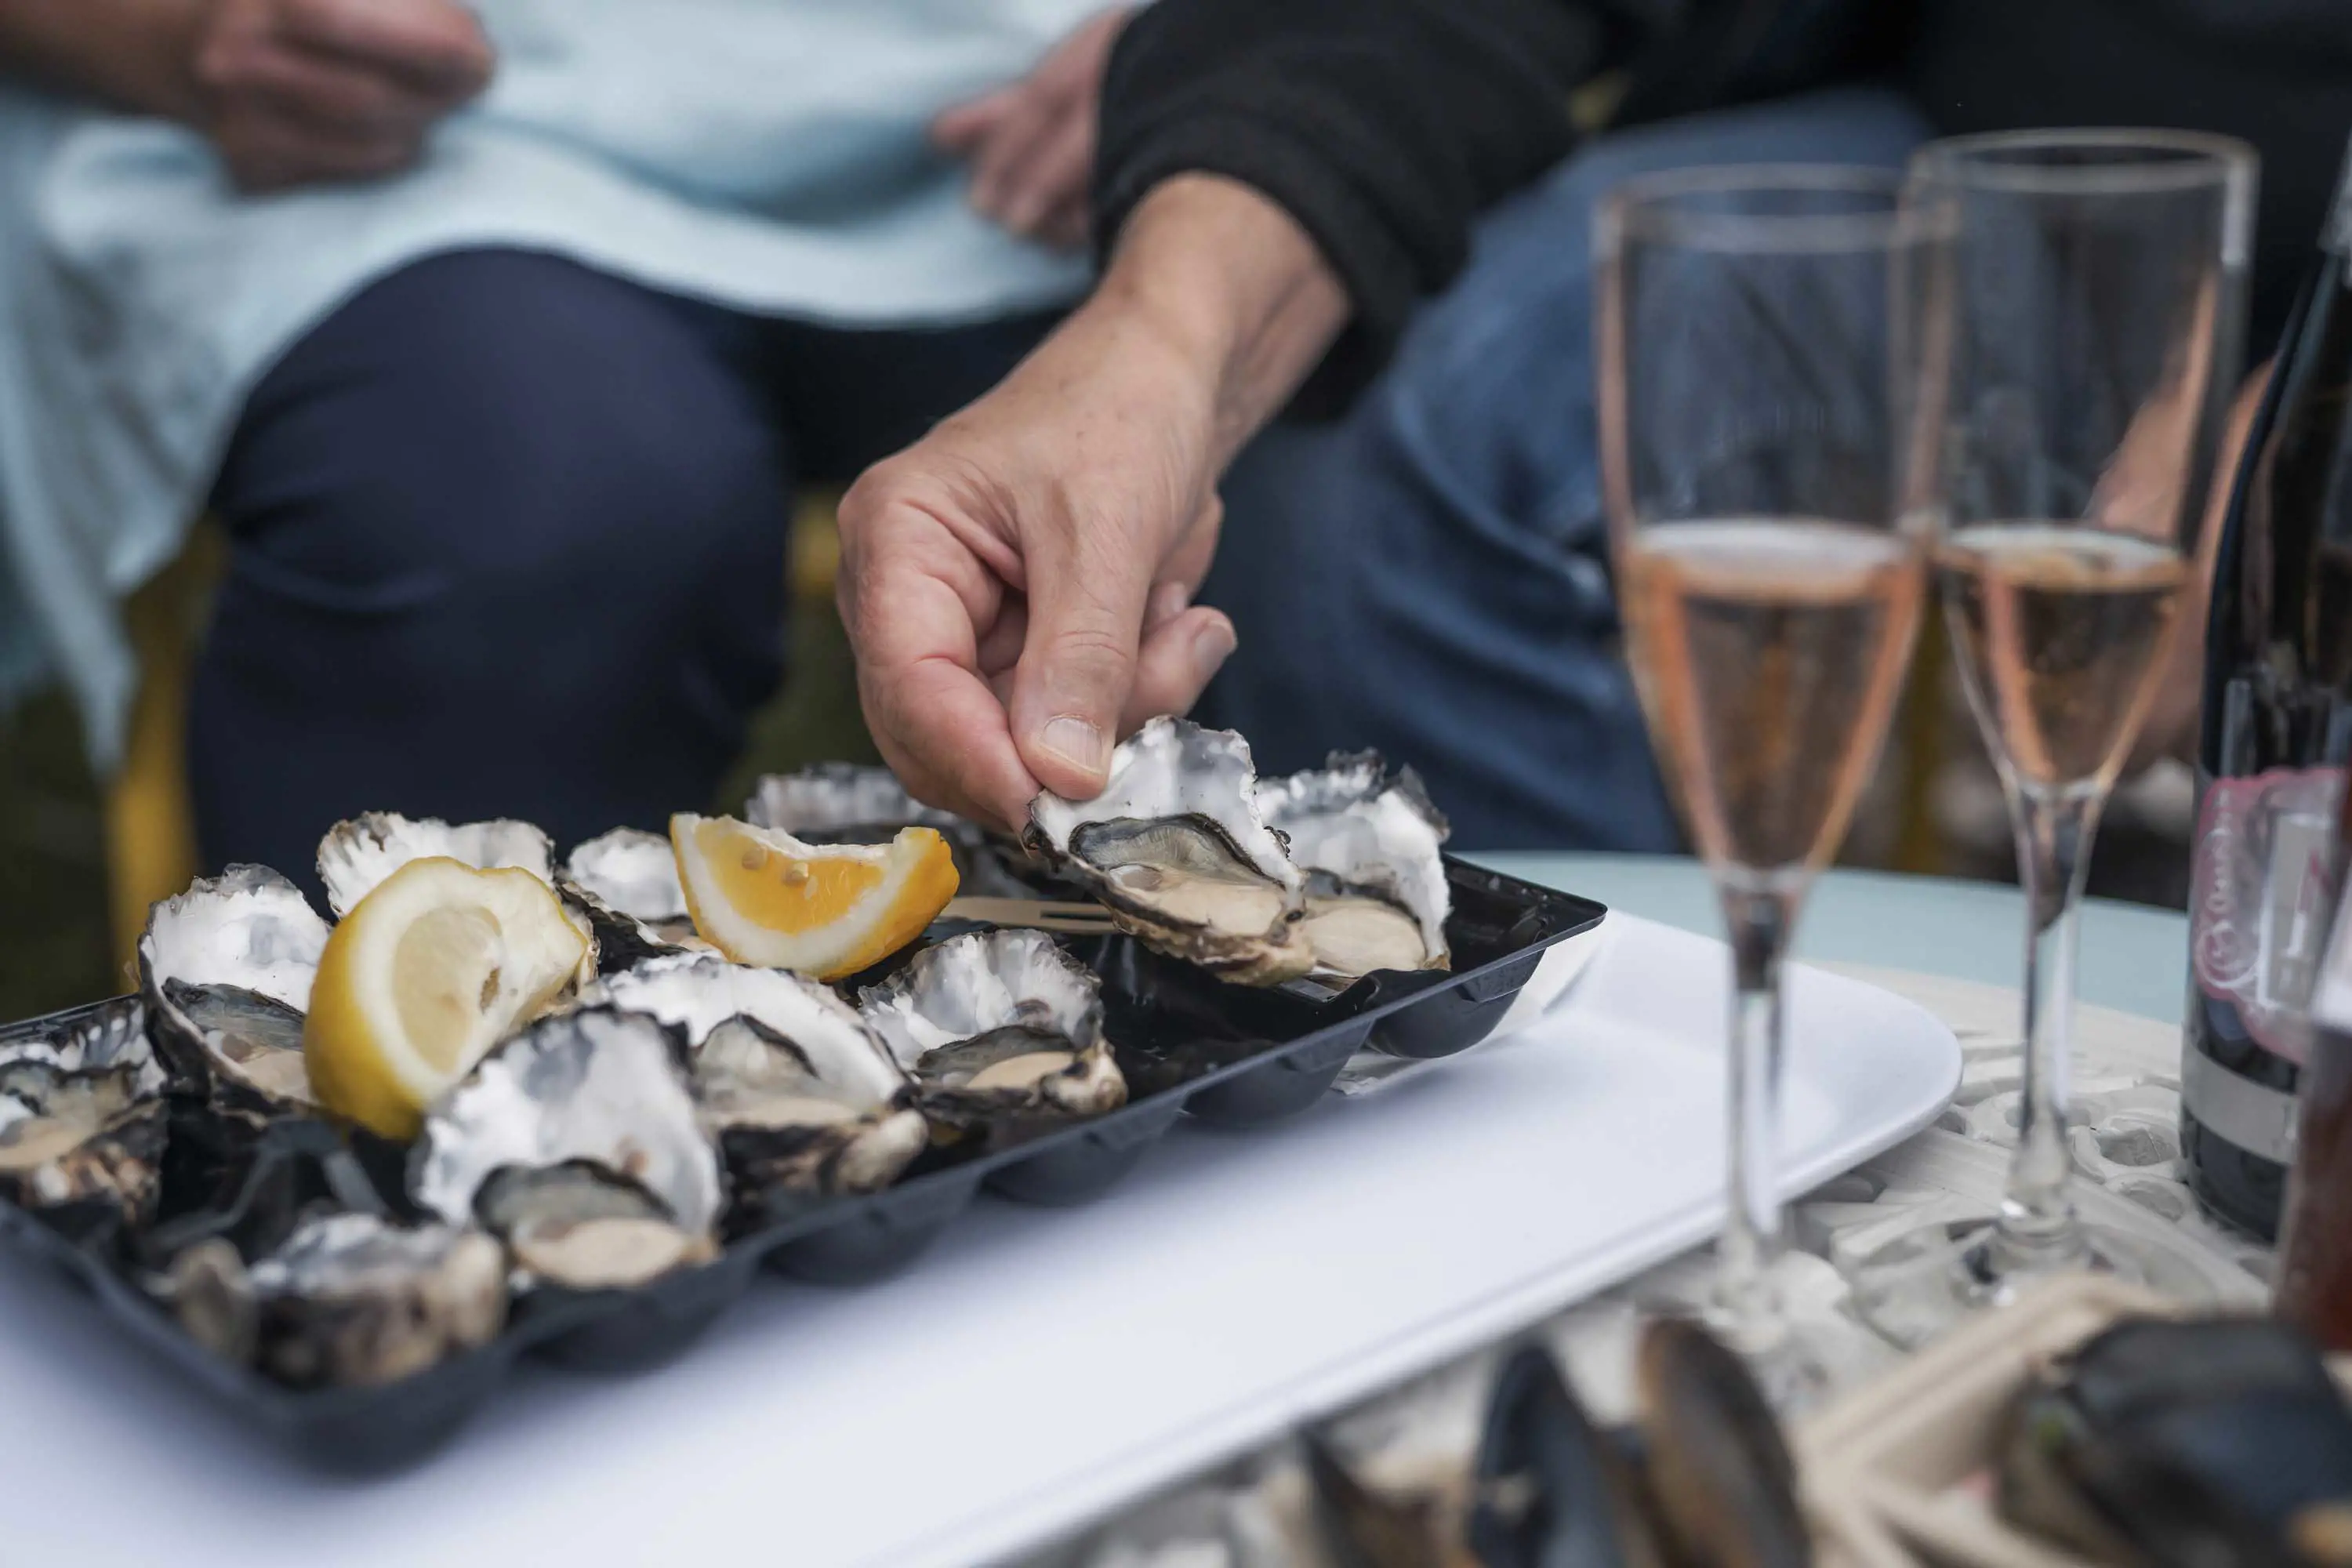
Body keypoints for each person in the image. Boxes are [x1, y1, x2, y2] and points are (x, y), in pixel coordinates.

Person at [838, 0, 2352, 845]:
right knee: (1378, 447)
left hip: (2309, 239)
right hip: (1976, 122)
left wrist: (2317, 410)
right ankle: (1601, 1121)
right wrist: (1167, 332)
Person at [0, 0, 1134, 881]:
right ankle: (382, 1152)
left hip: (1051, 131)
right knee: (522, 510)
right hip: (397, 159)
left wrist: (1243, 58)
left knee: (1255, 468)